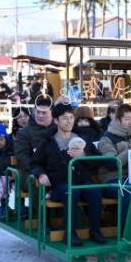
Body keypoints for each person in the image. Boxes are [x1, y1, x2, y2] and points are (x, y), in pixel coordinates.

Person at [31, 104, 107, 247]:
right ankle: (70, 232)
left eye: (72, 118)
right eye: (65, 118)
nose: (69, 121)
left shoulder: (82, 139)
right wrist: (40, 174)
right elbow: (35, 163)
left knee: (95, 191)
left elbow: (98, 160)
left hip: (81, 179)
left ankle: (95, 230)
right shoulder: (48, 142)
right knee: (70, 191)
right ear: (56, 120)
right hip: (59, 183)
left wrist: (84, 155)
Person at [97, 103, 131, 233]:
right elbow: (112, 163)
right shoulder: (106, 139)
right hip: (114, 178)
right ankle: (127, 230)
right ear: (118, 120)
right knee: (130, 191)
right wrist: (130, 150)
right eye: (127, 119)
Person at [14, 97, 57, 192]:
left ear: (52, 115)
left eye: (44, 113)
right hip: (30, 173)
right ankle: (37, 207)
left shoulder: (58, 131)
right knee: (38, 183)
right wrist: (39, 172)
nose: (40, 115)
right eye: (38, 112)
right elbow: (22, 157)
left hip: (54, 171)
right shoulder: (24, 133)